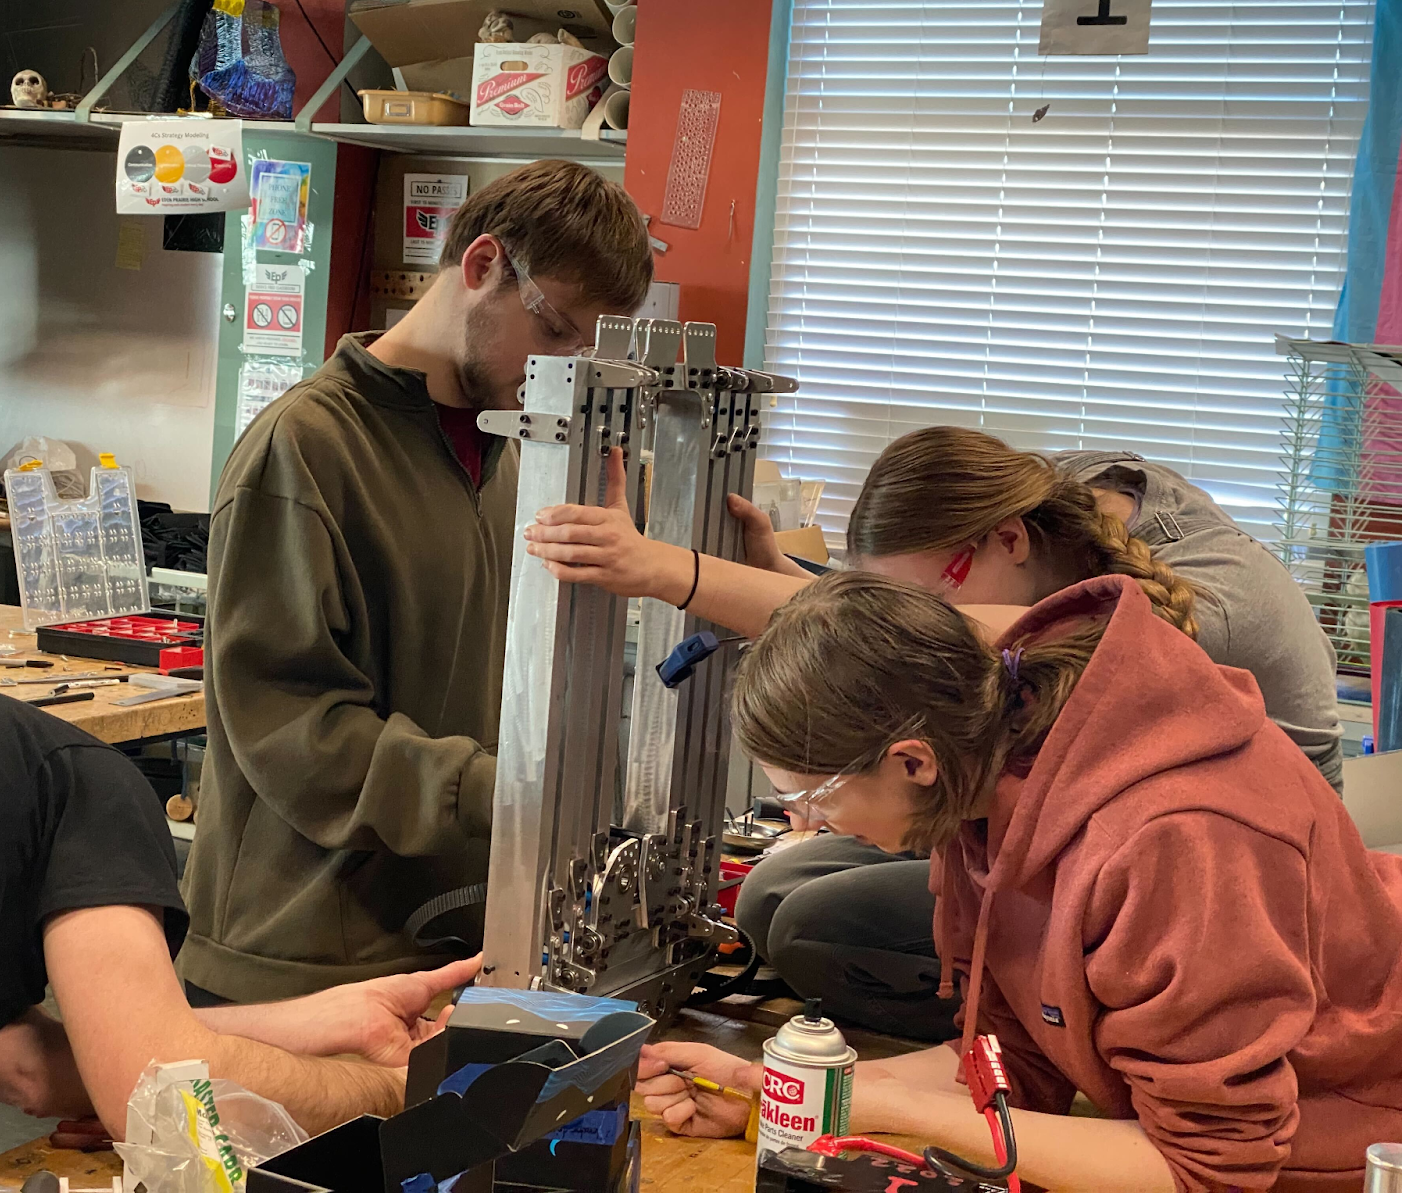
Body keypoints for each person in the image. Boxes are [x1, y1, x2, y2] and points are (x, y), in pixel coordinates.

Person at [522, 426, 1341, 1037]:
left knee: (813, 926)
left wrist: (667, 571)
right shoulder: (1059, 507)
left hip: (1232, 902)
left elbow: (946, 638)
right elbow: (914, 628)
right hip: (1055, 817)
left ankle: (1057, 1044)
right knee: (773, 891)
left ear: (1006, 543)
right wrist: (791, 581)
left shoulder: (1197, 603)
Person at [636, 571, 1402, 1193]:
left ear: (911, 761)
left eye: (818, 796)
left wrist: (883, 1103)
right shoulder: (984, 773)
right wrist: (781, 1087)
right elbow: (1020, 1064)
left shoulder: (1179, 840)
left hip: (1353, 1128)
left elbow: (1210, 1169)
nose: (815, 824)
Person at [179, 161, 653, 1005]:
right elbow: (288, 724)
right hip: (300, 961)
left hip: (453, 944)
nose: (563, 369)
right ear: (481, 267)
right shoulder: (307, 448)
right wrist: (491, 786)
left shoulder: (512, 461)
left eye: (585, 350)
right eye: (555, 331)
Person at [0, 685, 481, 1178]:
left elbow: (29, 1069)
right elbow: (156, 1096)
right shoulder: (91, 786)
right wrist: (402, 1087)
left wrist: (326, 1025)